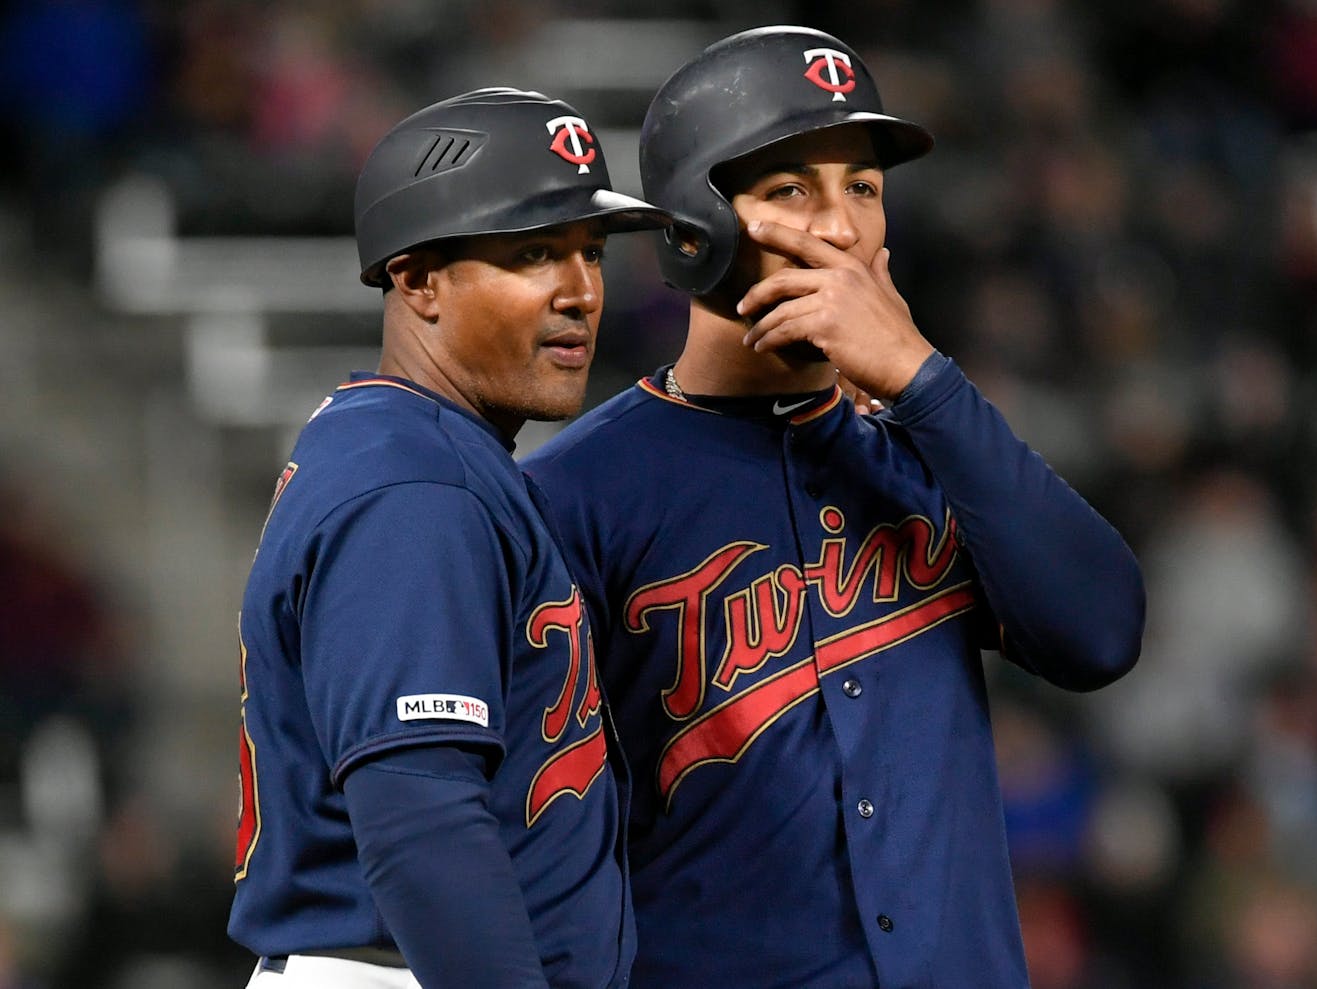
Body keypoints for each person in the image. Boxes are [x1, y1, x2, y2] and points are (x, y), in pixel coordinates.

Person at [521, 27, 1147, 989]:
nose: (844, 227)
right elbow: (539, 841)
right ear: (694, 223)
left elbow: (1099, 631)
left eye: (862, 187)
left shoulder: (932, 446)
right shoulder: (572, 495)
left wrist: (920, 380)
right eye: (792, 190)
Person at [228, 87, 669, 989]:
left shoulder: (417, 450)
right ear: (418, 278)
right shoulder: (415, 485)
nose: (581, 291)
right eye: (534, 253)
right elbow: (421, 828)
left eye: (591, 252)